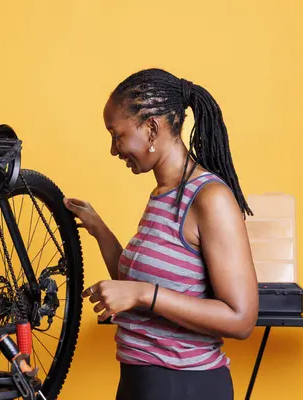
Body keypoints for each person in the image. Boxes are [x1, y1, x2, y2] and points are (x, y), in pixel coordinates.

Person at [63, 68, 259, 400]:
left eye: (117, 135)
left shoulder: (209, 199)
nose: (114, 149)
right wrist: (98, 228)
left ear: (151, 129)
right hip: (141, 382)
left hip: (185, 385)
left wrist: (144, 294)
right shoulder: (163, 193)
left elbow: (241, 319)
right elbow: (135, 289)